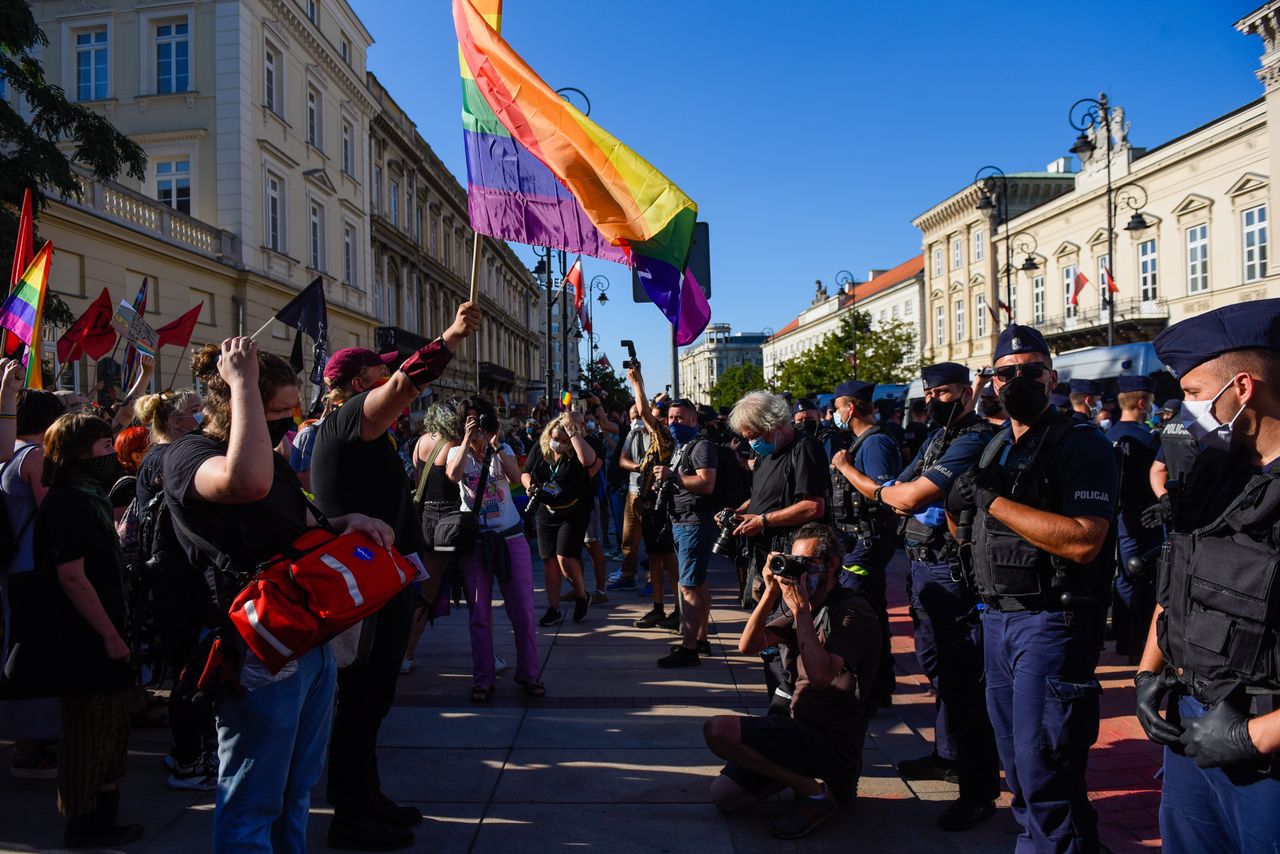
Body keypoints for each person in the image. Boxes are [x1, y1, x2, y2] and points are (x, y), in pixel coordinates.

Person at [164, 337, 392, 852]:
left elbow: (295, 522)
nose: (291, 422)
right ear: (234, 401)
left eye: (294, 409)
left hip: (307, 643)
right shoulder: (189, 454)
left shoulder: (269, 454)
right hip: (258, 649)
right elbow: (245, 484)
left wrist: (343, 522)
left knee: (296, 793)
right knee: (253, 801)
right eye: (278, 410)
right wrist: (242, 382)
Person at [310, 301, 479, 849]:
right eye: (380, 371)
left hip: (384, 576)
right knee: (362, 701)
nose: (390, 375)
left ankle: (368, 798)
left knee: (372, 698)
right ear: (363, 382)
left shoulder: (362, 430)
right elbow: (408, 383)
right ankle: (351, 820)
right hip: (366, 583)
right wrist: (451, 334)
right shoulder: (348, 419)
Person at [948, 324, 1118, 852]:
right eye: (1006, 373)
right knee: (1019, 767)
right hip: (997, 617)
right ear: (991, 382)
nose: (1016, 380)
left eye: (1029, 371)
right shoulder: (997, 442)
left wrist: (993, 502)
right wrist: (965, 506)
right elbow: (962, 519)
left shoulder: (1080, 442)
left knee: (1044, 765)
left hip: (1051, 620)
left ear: (1052, 377)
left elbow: (1084, 541)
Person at [1136, 301, 1280, 852]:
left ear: (1242, 387)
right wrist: (1150, 672)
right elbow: (1180, 577)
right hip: (1196, 720)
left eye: (1194, 393)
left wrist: (1254, 736)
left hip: (1260, 742)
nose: (1185, 411)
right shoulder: (1219, 476)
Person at [846, 362, 1000, 831]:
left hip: (952, 572)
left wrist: (889, 490)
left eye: (946, 392)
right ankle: (947, 755)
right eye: (930, 392)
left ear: (966, 394)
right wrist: (897, 494)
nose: (935, 400)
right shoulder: (937, 439)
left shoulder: (973, 437)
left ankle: (978, 789)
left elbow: (908, 498)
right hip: (922, 566)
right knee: (938, 670)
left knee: (965, 680)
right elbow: (898, 488)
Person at [3, 413, 140, 847]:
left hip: (103, 630)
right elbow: (72, 577)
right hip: (83, 639)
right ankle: (82, 825)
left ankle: (105, 817)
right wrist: (110, 636)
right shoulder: (69, 502)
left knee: (111, 730)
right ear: (80, 453)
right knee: (88, 732)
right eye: (103, 447)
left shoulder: (87, 495)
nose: (110, 456)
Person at [703, 523, 881, 839]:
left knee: (719, 730)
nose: (799, 571)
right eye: (794, 561)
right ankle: (805, 782)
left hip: (832, 740)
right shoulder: (805, 606)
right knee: (725, 797)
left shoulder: (852, 611)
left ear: (832, 564)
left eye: (807, 564)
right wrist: (771, 590)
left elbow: (821, 676)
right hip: (796, 726)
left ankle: (815, 792)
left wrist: (800, 612)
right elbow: (748, 645)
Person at [134, 388, 216, 791]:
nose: (201, 418)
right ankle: (188, 761)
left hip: (172, 580)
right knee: (191, 674)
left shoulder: (156, 456)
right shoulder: (171, 458)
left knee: (187, 668)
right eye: (195, 413)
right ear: (171, 421)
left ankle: (184, 752)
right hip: (180, 581)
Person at [445, 397, 543, 702]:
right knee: (479, 614)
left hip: (510, 537)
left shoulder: (502, 449)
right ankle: (483, 678)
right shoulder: (454, 451)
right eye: (470, 421)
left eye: (481, 420)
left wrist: (495, 442)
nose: (476, 427)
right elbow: (452, 476)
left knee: (523, 612)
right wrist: (464, 440)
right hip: (477, 541)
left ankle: (529, 674)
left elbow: (515, 477)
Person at [0, 381, 61, 781]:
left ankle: (28, 743)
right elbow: (54, 511)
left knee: (18, 648)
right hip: (35, 568)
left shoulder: (7, 452)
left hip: (13, 568)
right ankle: (30, 747)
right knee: (35, 654)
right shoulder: (36, 456)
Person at [827, 379, 899, 708]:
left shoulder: (875, 444)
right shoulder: (860, 442)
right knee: (871, 611)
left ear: (850, 408)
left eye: (837, 407)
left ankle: (868, 690)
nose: (834, 414)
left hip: (869, 541)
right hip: (858, 538)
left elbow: (881, 493)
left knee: (856, 612)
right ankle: (877, 688)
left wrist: (844, 467)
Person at [728, 391, 827, 608]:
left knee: (787, 622)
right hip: (764, 554)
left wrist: (763, 521)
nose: (751, 442)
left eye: (754, 435)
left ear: (773, 425)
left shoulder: (804, 448)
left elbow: (813, 507)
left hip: (791, 555)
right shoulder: (766, 452)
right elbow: (761, 495)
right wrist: (739, 513)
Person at [652, 398, 719, 668]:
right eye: (670, 418)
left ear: (693, 420)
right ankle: (700, 638)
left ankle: (689, 648)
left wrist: (673, 478)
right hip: (682, 521)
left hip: (693, 522)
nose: (673, 423)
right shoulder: (683, 447)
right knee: (698, 583)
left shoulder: (701, 446)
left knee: (688, 586)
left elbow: (706, 483)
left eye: (679, 418)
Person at [402, 401, 463, 675]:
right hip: (446, 521)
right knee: (428, 593)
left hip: (423, 519)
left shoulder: (419, 442)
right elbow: (458, 481)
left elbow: (418, 482)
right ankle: (407, 653)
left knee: (421, 587)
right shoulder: (451, 447)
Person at [522, 411, 600, 626]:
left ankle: (582, 596)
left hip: (573, 510)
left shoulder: (578, 449)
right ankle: (553, 608)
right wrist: (530, 487)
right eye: (556, 439)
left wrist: (573, 435)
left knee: (564, 557)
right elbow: (526, 472)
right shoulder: (541, 447)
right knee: (548, 561)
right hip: (546, 510)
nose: (559, 443)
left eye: (564, 441)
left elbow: (588, 460)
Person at [1105, 375, 1162, 662]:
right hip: (1144, 516)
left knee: (1124, 578)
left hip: (1115, 515)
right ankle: (1138, 642)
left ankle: (1123, 638)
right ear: (1143, 403)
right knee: (1145, 580)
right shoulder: (1149, 438)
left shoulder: (1107, 436)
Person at [620, 366, 680, 629]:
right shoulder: (653, 439)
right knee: (655, 557)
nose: (648, 422)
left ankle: (680, 609)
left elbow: (643, 411)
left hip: (662, 506)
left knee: (668, 559)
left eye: (656, 419)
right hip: (648, 506)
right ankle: (658, 608)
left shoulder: (665, 436)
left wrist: (636, 383)